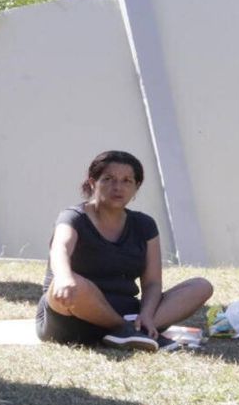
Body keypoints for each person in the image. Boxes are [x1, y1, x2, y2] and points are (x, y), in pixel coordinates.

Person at [37, 150, 214, 351]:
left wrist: (147, 314)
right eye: (108, 179)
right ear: (93, 183)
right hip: (73, 313)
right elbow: (59, 248)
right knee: (76, 285)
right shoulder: (73, 217)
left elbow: (153, 283)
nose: (118, 187)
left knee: (201, 286)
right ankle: (125, 330)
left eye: (127, 181)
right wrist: (64, 277)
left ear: (136, 187)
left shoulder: (144, 224)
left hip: (128, 311)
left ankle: (138, 328)